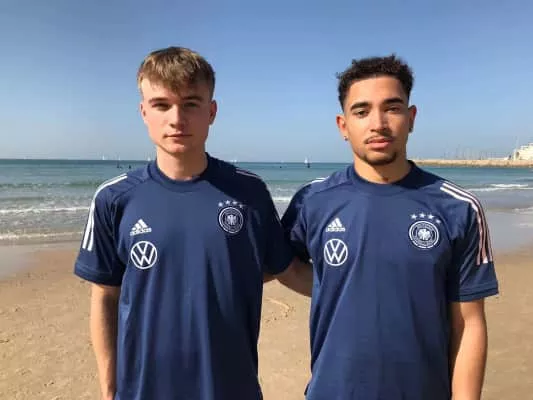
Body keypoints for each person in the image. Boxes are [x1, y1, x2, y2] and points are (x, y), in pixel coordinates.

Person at [73, 46, 307, 400]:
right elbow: (105, 295)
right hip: (143, 390)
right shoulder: (114, 198)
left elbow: (286, 269)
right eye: (161, 105)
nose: (176, 118)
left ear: (211, 112)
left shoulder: (249, 192)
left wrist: (369, 284)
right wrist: (109, 389)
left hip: (231, 389)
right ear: (143, 112)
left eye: (191, 104)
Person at [281, 55, 499, 399]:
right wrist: (334, 284)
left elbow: (468, 322)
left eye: (392, 108)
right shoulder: (313, 200)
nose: (378, 124)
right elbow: (283, 265)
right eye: (361, 111)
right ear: (342, 125)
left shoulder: (458, 207)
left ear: (411, 118)